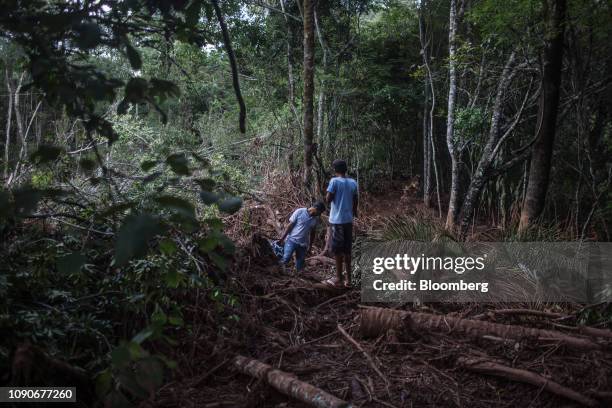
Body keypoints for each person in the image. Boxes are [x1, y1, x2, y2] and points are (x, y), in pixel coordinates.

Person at [324, 159, 358, 287]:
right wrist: (354, 211)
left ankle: (338, 277)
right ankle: (349, 280)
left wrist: (328, 195)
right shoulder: (353, 182)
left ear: (335, 170)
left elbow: (328, 199)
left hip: (337, 221)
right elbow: (355, 199)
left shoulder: (334, 181)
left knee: (337, 250)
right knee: (347, 250)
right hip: (348, 220)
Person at [278, 201, 326, 272]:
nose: (319, 214)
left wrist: (310, 246)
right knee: (286, 258)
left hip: (303, 245)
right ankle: (277, 271)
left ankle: (297, 279)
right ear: (315, 208)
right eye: (319, 212)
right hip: (292, 240)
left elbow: (313, 233)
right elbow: (290, 225)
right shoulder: (300, 211)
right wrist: (282, 238)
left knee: (300, 266)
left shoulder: (315, 220)